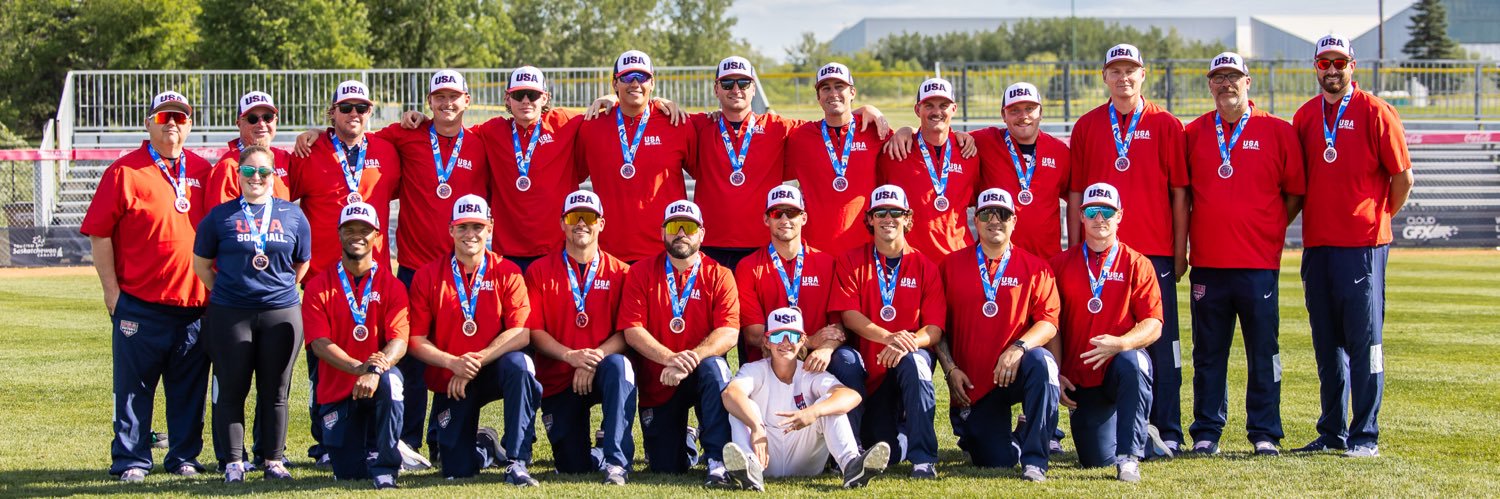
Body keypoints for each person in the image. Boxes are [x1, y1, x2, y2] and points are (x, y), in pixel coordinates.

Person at [1289, 34, 1414, 458]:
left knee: (1365, 344)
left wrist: (1379, 219)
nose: (1332, 69)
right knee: (1327, 345)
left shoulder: (1376, 111)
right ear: (1316, 68)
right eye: (1325, 62)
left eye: (1340, 62)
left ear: (1352, 66)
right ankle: (1331, 431)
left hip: (1363, 246)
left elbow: (1403, 178)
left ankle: (1365, 435)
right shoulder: (1305, 117)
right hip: (1318, 247)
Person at [82, 90, 213, 482]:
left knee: (188, 389)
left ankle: (183, 457)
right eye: (163, 118)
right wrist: (112, 293)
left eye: (180, 118)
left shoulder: (206, 172)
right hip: (140, 303)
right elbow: (100, 234)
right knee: (133, 389)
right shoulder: (125, 171)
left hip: (194, 304)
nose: (171, 124)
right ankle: (131, 460)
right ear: (149, 123)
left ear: (189, 125)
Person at [1183, 52, 1306, 457]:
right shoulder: (1195, 133)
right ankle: (1206, 430)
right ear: (1209, 84)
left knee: (1263, 353)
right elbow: (1184, 197)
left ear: (1247, 81)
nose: (1225, 84)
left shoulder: (1278, 131)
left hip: (1258, 265)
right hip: (1209, 266)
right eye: (1217, 78)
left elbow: (1294, 194)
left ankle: (1265, 431)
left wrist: (1267, 229)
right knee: (1208, 354)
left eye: (1233, 77)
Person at [1067, 44, 1188, 456]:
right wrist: (1074, 245)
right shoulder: (1086, 126)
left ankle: (1166, 428)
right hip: (1097, 252)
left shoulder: (1166, 124)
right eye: (1115, 70)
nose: (1124, 77)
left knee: (1159, 342)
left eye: (1131, 70)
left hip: (1152, 251)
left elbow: (1179, 192)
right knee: (1096, 336)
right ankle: (1117, 423)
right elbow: (1076, 192)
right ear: (1104, 76)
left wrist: (1178, 248)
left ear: (1143, 73)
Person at [288, 79, 402, 464]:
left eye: (362, 108)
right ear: (331, 113)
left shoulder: (387, 149)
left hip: (376, 277)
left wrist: (413, 117)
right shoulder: (307, 152)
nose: (354, 114)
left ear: (370, 113)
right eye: (346, 108)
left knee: (376, 354)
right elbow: (284, 205)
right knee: (322, 362)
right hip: (323, 278)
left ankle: (378, 436)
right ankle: (325, 438)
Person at [690, 57, 888, 270]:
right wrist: (664, 102)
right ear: (716, 89)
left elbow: (835, 119)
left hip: (763, 244)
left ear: (754, 89)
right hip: (709, 243)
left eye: (743, 83)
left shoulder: (778, 128)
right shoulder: (699, 126)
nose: (736, 89)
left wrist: (867, 109)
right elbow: (659, 116)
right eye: (728, 84)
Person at [192, 145, 312, 482]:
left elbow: (301, 262)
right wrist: (231, 291)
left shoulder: (293, 215)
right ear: (238, 174)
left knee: (276, 390)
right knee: (232, 387)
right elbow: (202, 265)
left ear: (274, 175)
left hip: (281, 312)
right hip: (232, 313)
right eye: (248, 171)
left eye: (263, 171)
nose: (255, 177)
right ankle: (232, 462)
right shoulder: (220, 216)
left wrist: (278, 289)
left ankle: (273, 460)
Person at [406, 195, 541, 485]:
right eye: (463, 227)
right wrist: (454, 363)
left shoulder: (508, 272)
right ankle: (484, 448)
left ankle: (517, 460)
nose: (471, 234)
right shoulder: (427, 276)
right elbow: (415, 340)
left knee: (521, 365)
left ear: (490, 228)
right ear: (451, 230)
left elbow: (521, 332)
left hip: (491, 369)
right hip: (452, 378)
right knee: (456, 469)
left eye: (478, 227)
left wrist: (475, 360)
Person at [934, 188, 1061, 481]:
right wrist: (950, 369)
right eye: (986, 214)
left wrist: (1018, 347)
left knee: (1042, 363)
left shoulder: (1036, 268)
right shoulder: (950, 266)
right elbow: (936, 327)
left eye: (1002, 214)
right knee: (994, 461)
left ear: (1014, 221)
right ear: (974, 221)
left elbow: (1048, 321)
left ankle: (1035, 461)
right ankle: (1015, 437)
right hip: (976, 385)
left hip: (1017, 371)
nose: (995, 220)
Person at [826, 185, 945, 479]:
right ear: (869, 219)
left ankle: (923, 458)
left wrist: (907, 343)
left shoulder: (924, 266)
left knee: (916, 361)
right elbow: (848, 315)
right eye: (881, 212)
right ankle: (850, 451)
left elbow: (934, 328)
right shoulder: (851, 260)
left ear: (908, 218)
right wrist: (888, 337)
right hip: (870, 370)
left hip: (905, 363)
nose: (888, 218)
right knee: (883, 447)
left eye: (896, 212)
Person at [618, 200, 739, 485]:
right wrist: (669, 359)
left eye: (690, 227)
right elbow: (632, 330)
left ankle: (717, 462)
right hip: (661, 377)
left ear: (702, 234)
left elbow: (729, 332)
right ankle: (685, 440)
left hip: (698, 374)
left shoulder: (720, 275)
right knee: (666, 468)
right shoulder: (640, 272)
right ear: (662, 232)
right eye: (674, 226)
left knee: (715, 368)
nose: (681, 233)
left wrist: (690, 359)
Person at [1048, 183, 1163, 482]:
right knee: (1096, 460)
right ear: (1081, 216)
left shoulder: (1138, 263)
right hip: (1082, 380)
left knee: (1134, 361)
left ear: (1120, 216)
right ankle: (1143, 435)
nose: (1100, 218)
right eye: (1092, 211)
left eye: (1108, 211)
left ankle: (1130, 458)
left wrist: (1121, 343)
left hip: (1119, 371)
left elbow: (1153, 324)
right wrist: (1056, 371)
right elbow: (1051, 324)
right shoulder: (1059, 265)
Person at [523, 190, 637, 485]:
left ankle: (615, 461)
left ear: (602, 223)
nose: (582, 224)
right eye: (574, 217)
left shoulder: (622, 272)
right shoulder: (538, 271)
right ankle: (596, 453)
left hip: (602, 370)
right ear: (562, 223)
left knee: (619, 367)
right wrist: (571, 357)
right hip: (560, 376)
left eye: (590, 217)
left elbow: (627, 331)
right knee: (573, 467)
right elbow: (534, 332)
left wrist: (592, 359)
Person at [720, 307, 892, 491]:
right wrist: (756, 426)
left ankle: (851, 466)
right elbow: (730, 393)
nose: (785, 343)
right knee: (741, 407)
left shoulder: (810, 373)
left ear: (803, 340)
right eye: (777, 336)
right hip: (763, 455)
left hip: (806, 459)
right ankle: (748, 469)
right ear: (767, 342)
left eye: (792, 336)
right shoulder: (755, 369)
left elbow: (852, 396)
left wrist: (813, 412)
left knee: (829, 404)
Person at [301, 202, 411, 489]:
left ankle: (387, 464)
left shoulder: (392, 285)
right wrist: (358, 367)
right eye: (350, 230)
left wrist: (374, 371)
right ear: (339, 234)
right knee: (349, 474)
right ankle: (371, 448)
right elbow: (320, 345)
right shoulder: (317, 287)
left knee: (392, 382)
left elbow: (399, 340)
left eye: (365, 230)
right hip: (339, 392)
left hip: (377, 387)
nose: (357, 236)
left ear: (377, 236)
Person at [577, 50, 699, 263]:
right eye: (627, 77)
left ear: (652, 83)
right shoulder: (591, 125)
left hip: (665, 253)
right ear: (615, 83)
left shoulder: (677, 122)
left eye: (642, 77)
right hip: (608, 255)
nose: (635, 83)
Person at [784, 63, 892, 256]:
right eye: (826, 88)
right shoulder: (800, 136)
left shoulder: (874, 131)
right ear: (818, 97)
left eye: (839, 86)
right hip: (813, 252)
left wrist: (906, 131)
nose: (833, 93)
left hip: (865, 249)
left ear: (852, 92)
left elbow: (916, 142)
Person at [733, 185, 843, 366]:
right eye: (777, 213)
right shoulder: (748, 266)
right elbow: (753, 335)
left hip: (816, 360)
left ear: (804, 218)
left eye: (791, 212)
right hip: (768, 361)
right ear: (766, 219)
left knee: (847, 362)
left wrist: (826, 348)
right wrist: (809, 341)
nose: (784, 219)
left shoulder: (826, 263)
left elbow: (838, 326)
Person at [876, 78, 981, 259]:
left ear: (954, 109)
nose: (937, 112)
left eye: (943, 105)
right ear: (917, 109)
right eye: (929, 105)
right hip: (911, 262)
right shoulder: (895, 151)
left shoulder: (969, 152)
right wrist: (905, 129)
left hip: (960, 258)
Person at [970, 83, 1072, 258]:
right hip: (997, 260)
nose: (1023, 116)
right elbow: (940, 137)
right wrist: (907, 131)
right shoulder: (985, 142)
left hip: (1047, 261)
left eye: (1030, 109)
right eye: (1014, 110)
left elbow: (1075, 197)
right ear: (1003, 115)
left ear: (1040, 112)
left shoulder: (1059, 151)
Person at [200, 91, 293, 224]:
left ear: (276, 121)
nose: (261, 124)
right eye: (252, 118)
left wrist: (315, 133)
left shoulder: (284, 158)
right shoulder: (228, 166)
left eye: (268, 117)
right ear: (239, 123)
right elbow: (221, 223)